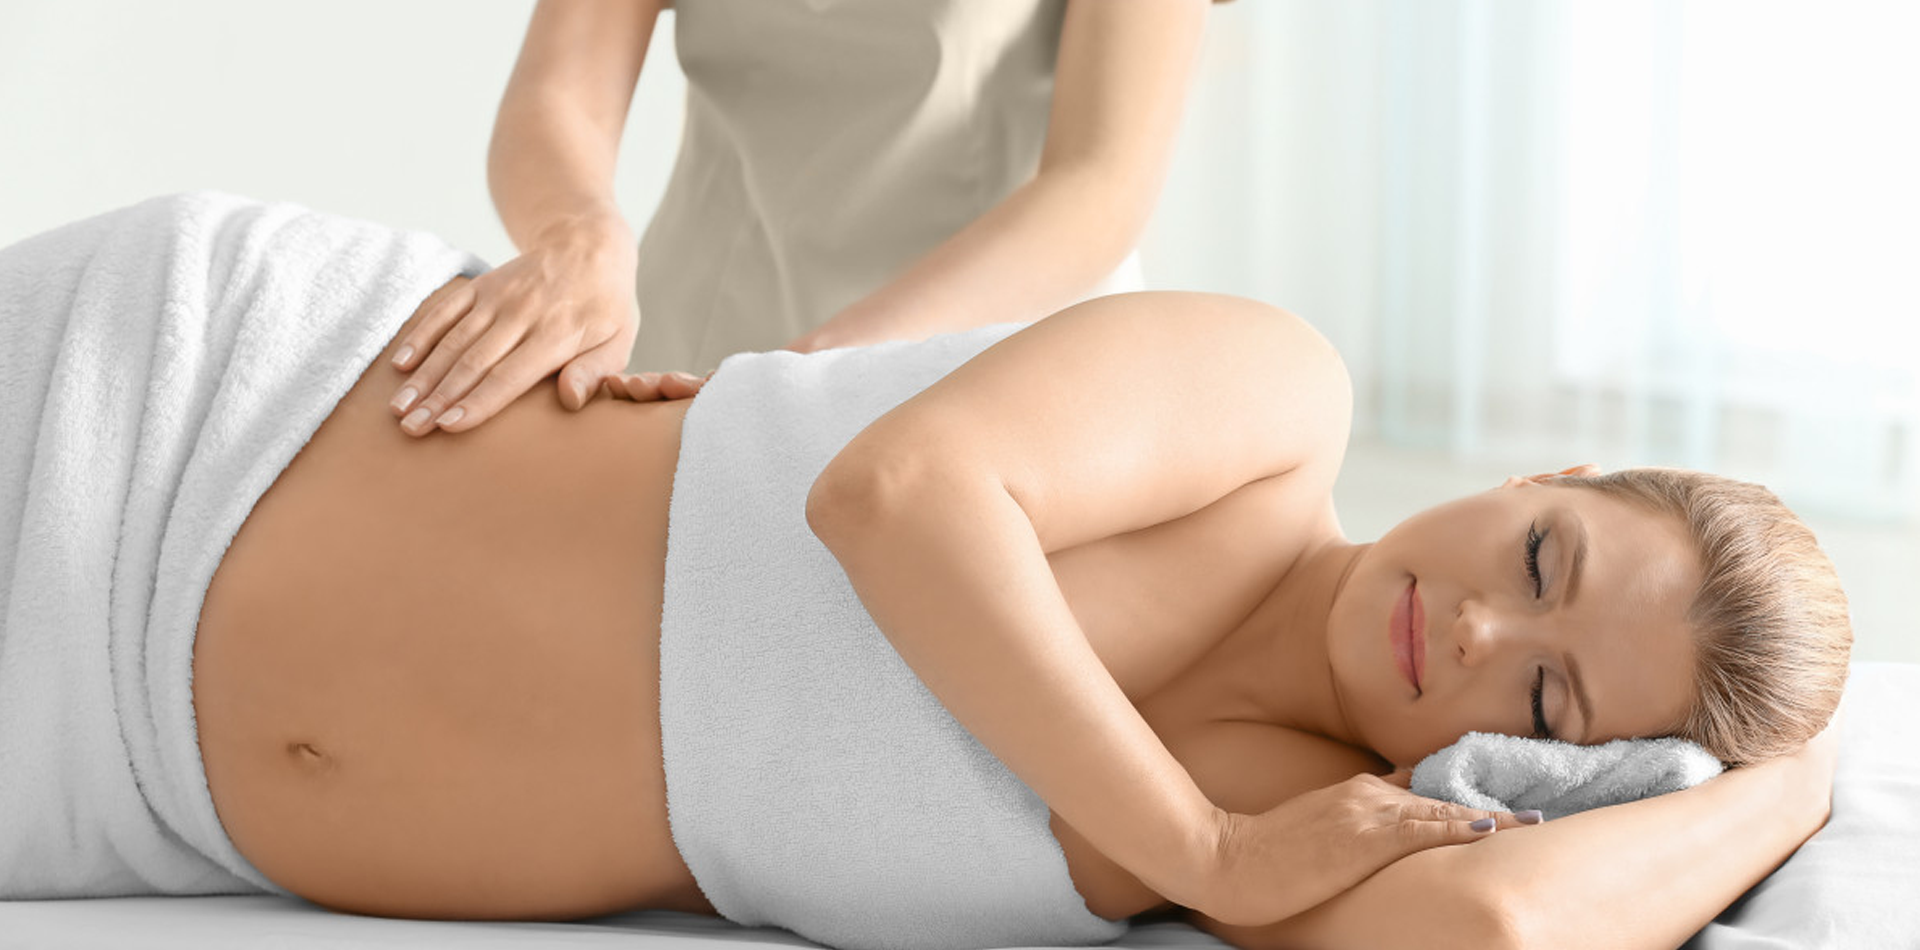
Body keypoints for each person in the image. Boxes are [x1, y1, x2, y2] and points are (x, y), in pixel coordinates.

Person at [0, 197, 1849, 950]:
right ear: (1540, 478)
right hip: (194, 414)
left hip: (118, 792)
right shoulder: (1269, 409)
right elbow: (898, 496)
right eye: (1541, 557)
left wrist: (1789, 783)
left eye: (1545, 696)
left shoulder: (1314, 816)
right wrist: (1201, 852)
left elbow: (1496, 935)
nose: (1478, 631)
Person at [383, 0, 1212, 439]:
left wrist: (820, 366)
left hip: (998, 354)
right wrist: (577, 238)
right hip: (699, 354)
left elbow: (1099, 183)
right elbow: (559, 94)